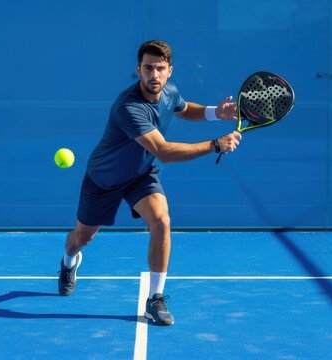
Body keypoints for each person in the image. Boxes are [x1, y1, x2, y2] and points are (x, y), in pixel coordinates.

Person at [57, 40, 241, 326]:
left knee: (161, 221)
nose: (153, 75)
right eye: (147, 68)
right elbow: (164, 152)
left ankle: (155, 299)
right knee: (83, 238)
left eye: (159, 68)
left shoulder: (170, 91)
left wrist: (215, 112)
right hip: (104, 179)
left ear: (169, 71)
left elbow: (182, 108)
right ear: (138, 70)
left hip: (141, 174)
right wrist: (215, 144)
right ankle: (68, 262)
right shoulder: (129, 107)